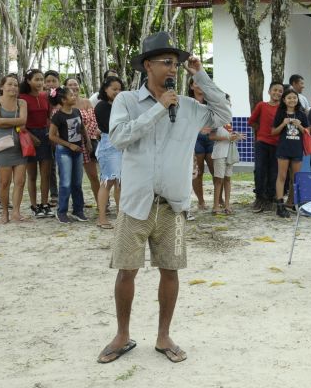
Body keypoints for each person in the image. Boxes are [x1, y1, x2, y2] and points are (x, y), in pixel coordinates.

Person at [97, 31, 230, 364]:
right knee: (126, 270)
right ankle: (122, 335)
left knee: (170, 271)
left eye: (177, 64)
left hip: (173, 205)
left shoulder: (188, 106)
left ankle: (163, 336)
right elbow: (119, 137)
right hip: (135, 203)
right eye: (166, 63)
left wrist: (200, 73)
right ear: (147, 65)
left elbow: (224, 113)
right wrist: (157, 109)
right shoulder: (127, 100)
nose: (173, 69)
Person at [0, 74, 29, 224]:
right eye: (10, 84)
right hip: (3, 144)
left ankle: (16, 213)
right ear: (2, 87)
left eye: (16, 85)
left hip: (20, 144)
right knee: (4, 182)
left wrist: (2, 120)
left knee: (20, 181)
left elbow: (23, 120)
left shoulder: (22, 103)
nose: (13, 87)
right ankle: (4, 213)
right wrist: (9, 122)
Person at [48, 86, 91, 224]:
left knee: (77, 183)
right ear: (63, 99)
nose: (74, 96)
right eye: (71, 95)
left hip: (78, 151)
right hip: (64, 152)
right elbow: (52, 136)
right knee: (65, 183)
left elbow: (82, 128)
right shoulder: (58, 116)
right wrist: (69, 145)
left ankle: (78, 210)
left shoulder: (77, 111)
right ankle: (61, 211)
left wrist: (88, 142)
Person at [19, 69, 54, 218]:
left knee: (46, 174)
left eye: (42, 80)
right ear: (28, 81)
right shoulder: (22, 98)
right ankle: (34, 205)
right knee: (32, 175)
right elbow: (20, 123)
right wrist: (31, 137)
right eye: (37, 80)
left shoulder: (45, 97)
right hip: (29, 136)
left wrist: (51, 135)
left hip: (45, 135)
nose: (40, 83)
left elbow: (49, 118)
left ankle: (45, 204)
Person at [65, 77, 101, 211]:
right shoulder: (63, 104)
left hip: (87, 143)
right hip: (70, 144)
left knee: (93, 175)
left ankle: (101, 203)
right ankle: (77, 205)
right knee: (74, 178)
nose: (74, 87)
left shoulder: (86, 102)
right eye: (70, 85)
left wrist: (83, 134)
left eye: (76, 84)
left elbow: (93, 121)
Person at [272, 89, 308, 218]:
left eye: (294, 98)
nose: (292, 100)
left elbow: (307, 132)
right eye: (289, 98)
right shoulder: (280, 113)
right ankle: (280, 205)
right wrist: (283, 124)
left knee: (296, 178)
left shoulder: (301, 114)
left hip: (297, 150)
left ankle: (295, 203)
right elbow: (273, 132)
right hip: (283, 149)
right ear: (284, 100)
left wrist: (300, 126)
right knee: (282, 176)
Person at [94, 76, 125, 229]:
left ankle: (121, 217)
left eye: (120, 89)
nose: (117, 92)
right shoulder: (101, 107)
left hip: (122, 146)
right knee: (108, 182)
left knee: (120, 183)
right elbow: (111, 127)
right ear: (105, 89)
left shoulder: (121, 105)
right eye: (114, 89)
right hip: (108, 145)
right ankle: (102, 218)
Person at [247, 81, 283, 213]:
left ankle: (270, 198)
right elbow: (251, 121)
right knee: (260, 170)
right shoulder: (262, 105)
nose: (277, 93)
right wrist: (261, 130)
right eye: (275, 90)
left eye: (280, 91)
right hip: (262, 143)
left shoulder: (283, 109)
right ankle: (259, 198)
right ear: (269, 91)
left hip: (277, 145)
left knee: (274, 172)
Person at [190, 78, 215, 210]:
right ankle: (201, 201)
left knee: (215, 171)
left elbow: (219, 117)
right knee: (198, 172)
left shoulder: (211, 102)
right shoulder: (188, 102)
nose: (199, 85)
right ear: (191, 86)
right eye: (196, 83)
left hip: (211, 138)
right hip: (195, 139)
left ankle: (219, 199)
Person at [210, 121, 242, 215]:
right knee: (219, 180)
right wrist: (228, 137)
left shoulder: (229, 123)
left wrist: (236, 137)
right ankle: (216, 206)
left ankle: (227, 205)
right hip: (219, 154)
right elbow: (211, 137)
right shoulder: (216, 122)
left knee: (227, 179)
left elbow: (230, 138)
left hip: (229, 154)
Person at [44, 70, 61, 206]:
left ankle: (66, 193)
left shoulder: (63, 96)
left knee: (63, 166)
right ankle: (54, 194)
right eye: (48, 81)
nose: (50, 84)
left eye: (53, 81)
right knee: (50, 166)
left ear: (59, 82)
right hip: (46, 134)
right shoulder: (42, 96)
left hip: (62, 136)